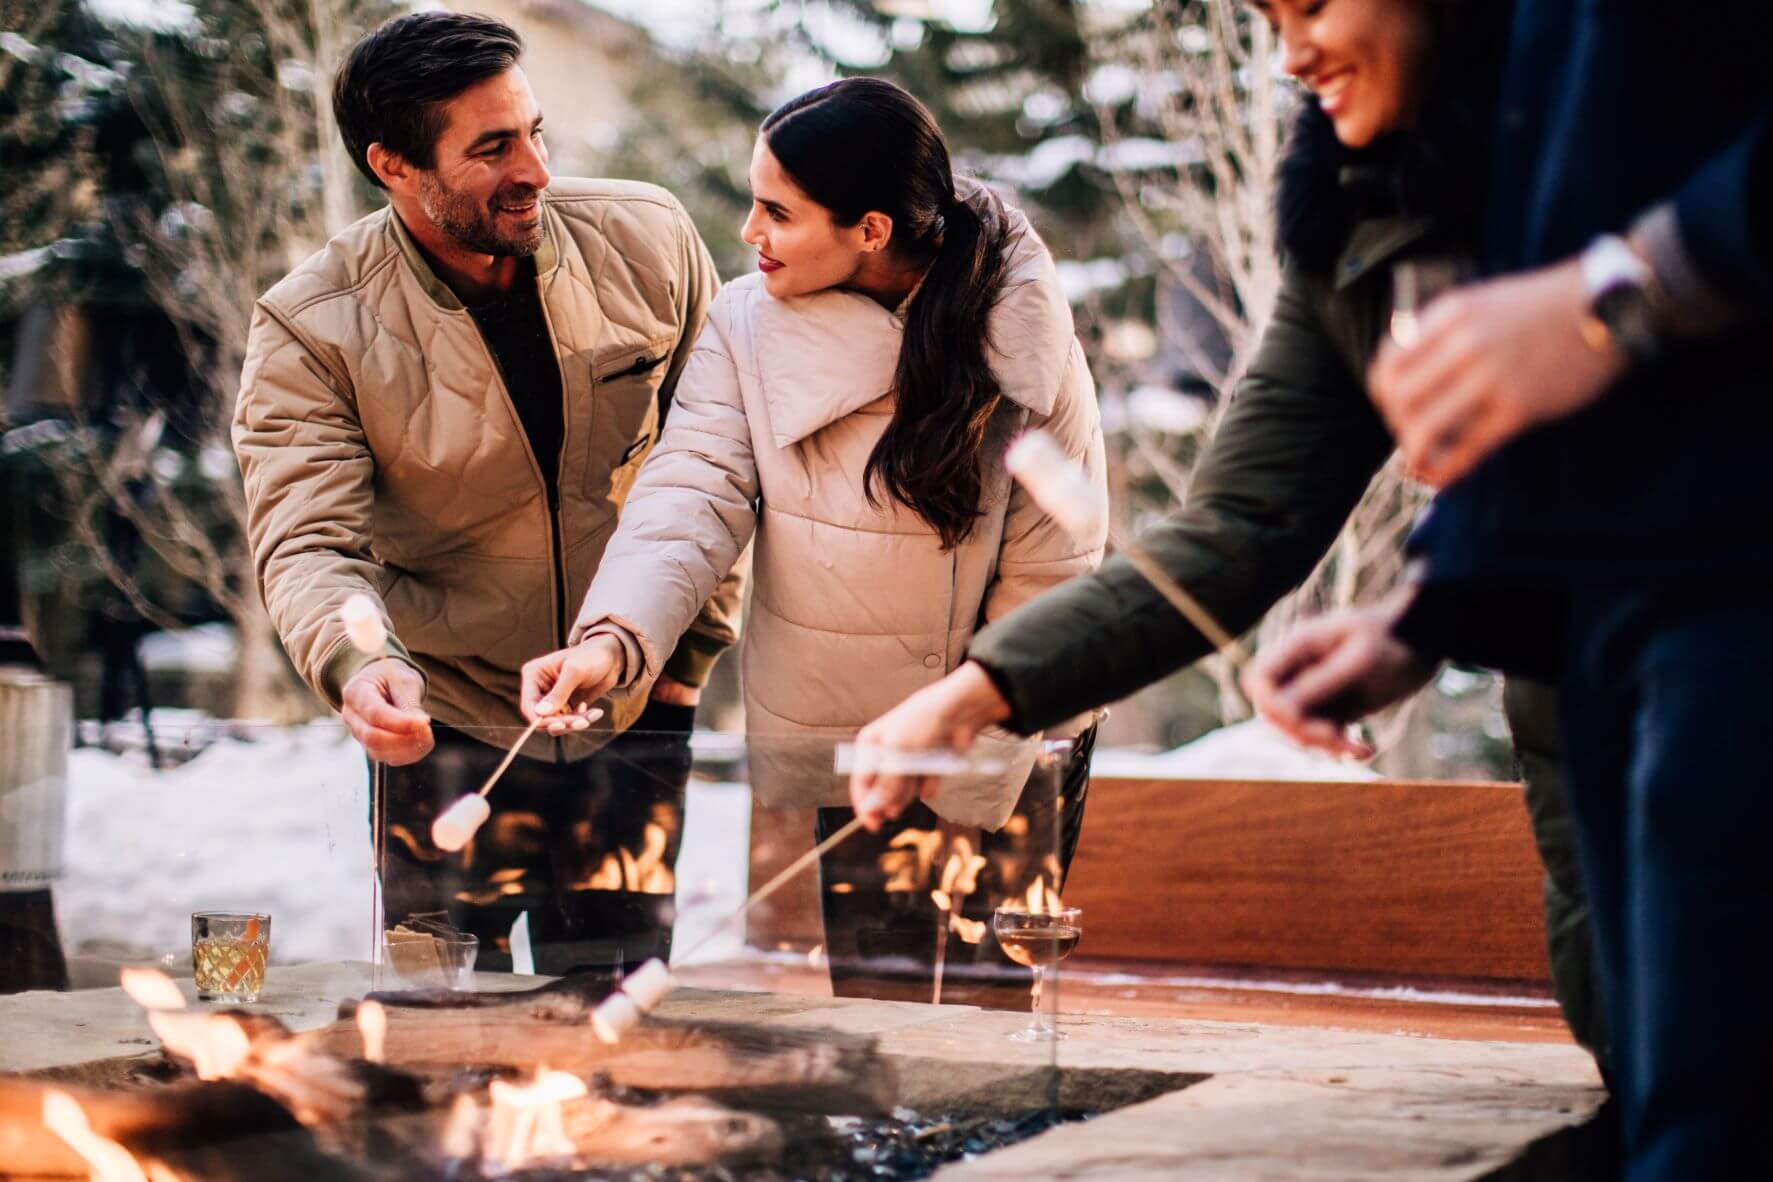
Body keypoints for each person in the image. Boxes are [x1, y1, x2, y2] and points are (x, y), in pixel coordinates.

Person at [844, 0, 1610, 1074]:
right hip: (1580, 756)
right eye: (1268, 16)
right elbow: (1238, 524)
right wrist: (979, 692)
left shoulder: (1650, 148)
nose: (1292, 54)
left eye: (1313, 7)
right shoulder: (1348, 223)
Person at [1242, 3, 1772, 1178]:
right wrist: (1435, 606)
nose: (1290, 53)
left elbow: (1589, 302)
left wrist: (1628, 289)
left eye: (1309, 8)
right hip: (1630, 637)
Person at [519, 78, 1106, 1001]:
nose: (749, 232)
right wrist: (613, 640)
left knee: (995, 1026)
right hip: (857, 727)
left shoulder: (1024, 334)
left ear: (869, 229)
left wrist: (973, 740)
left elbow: (1056, 564)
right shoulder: (744, 323)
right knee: (881, 1021)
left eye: (777, 212)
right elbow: (690, 491)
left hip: (1009, 730)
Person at [232, 12, 743, 976]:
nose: (537, 170)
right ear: (395, 166)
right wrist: (357, 663)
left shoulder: (652, 238)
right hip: (443, 730)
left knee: (616, 1026)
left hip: (627, 711)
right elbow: (309, 543)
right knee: (442, 1031)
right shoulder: (310, 328)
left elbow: (716, 460)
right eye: (494, 148)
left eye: (535, 132)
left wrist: (688, 660)